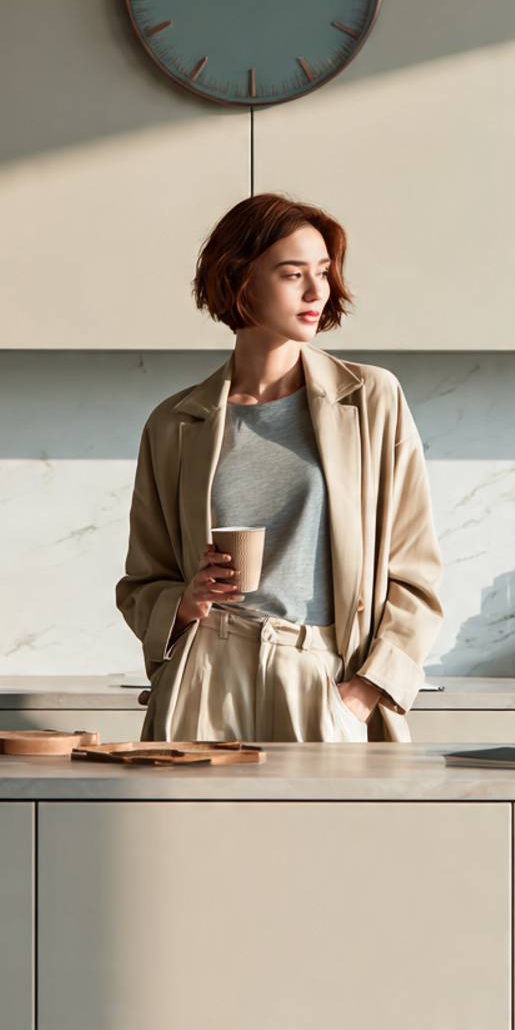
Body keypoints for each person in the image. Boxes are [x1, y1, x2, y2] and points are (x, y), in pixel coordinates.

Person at [116, 193, 443, 742]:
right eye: (294, 274)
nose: (319, 292)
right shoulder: (175, 424)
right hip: (205, 676)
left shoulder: (371, 400)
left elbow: (416, 573)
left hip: (321, 676)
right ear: (239, 279)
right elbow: (142, 581)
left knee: (326, 830)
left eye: (323, 273)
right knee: (194, 830)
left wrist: (364, 693)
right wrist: (183, 602)